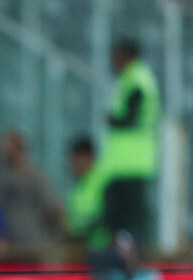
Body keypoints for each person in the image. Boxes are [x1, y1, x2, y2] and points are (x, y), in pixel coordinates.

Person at [101, 39, 161, 246]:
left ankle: (136, 251)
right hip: (124, 160)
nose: (113, 62)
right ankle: (124, 249)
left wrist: (113, 120)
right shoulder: (129, 78)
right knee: (121, 215)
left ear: (126, 56)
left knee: (130, 215)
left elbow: (130, 116)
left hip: (133, 159)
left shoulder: (137, 79)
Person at [0, 130, 62, 249]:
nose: (7, 151)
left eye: (12, 147)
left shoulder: (35, 177)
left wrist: (45, 232)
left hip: (34, 243)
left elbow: (55, 209)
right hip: (5, 244)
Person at [66, 136, 110, 252]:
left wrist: (82, 230)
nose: (74, 165)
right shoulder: (78, 187)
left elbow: (108, 216)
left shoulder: (104, 182)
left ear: (90, 157)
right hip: (82, 249)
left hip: (102, 248)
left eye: (77, 160)